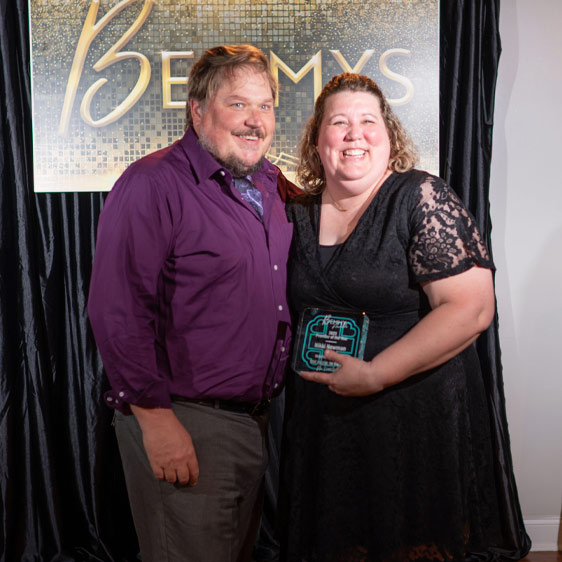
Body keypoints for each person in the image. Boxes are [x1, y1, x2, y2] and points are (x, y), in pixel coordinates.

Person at [280, 73, 504, 561]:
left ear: (390, 136)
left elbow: (471, 309)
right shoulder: (295, 213)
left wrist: (376, 374)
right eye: (339, 123)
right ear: (318, 141)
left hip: (411, 421)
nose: (354, 133)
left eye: (368, 121)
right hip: (325, 426)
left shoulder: (419, 197)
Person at [88, 44, 299, 562]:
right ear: (198, 110)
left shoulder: (269, 185)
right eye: (238, 104)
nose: (255, 120)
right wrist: (156, 421)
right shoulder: (153, 183)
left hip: (253, 420)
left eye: (265, 106)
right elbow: (117, 310)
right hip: (185, 419)